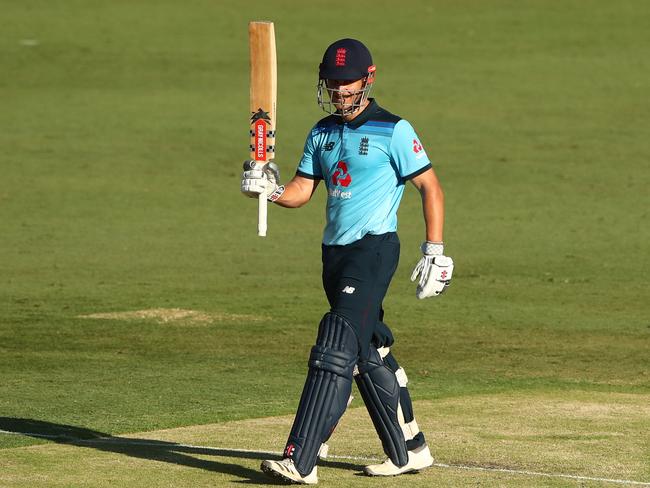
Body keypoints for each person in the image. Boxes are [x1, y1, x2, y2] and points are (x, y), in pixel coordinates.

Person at [241, 38, 454, 485]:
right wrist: (270, 190)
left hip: (374, 250)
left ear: (368, 78)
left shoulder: (393, 130)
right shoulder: (321, 132)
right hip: (334, 256)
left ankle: (301, 458)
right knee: (368, 349)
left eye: (346, 82)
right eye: (332, 83)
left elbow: (430, 187)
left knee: (336, 340)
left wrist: (434, 251)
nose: (338, 91)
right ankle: (409, 450)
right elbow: (302, 191)